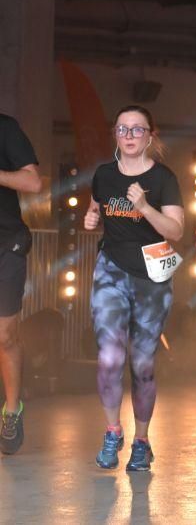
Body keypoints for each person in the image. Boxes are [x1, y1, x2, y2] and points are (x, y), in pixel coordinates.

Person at [84, 106, 183, 470]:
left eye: (137, 129)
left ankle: (141, 441)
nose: (129, 135)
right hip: (110, 272)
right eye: (122, 129)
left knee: (142, 364)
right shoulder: (104, 175)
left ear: (149, 136)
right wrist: (91, 217)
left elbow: (176, 231)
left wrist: (144, 207)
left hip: (151, 278)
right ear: (115, 134)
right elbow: (97, 208)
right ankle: (113, 431)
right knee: (110, 358)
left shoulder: (163, 178)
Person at [0, 114, 42, 456]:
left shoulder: (5, 127)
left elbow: (33, 182)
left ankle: (12, 409)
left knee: (5, 335)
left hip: (5, 243)